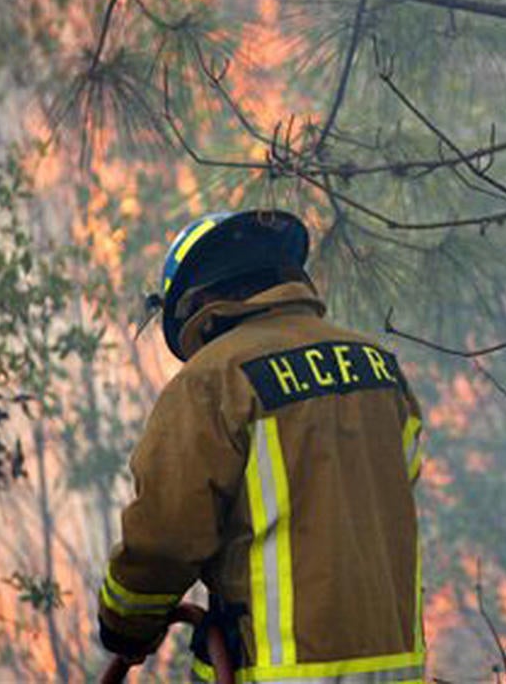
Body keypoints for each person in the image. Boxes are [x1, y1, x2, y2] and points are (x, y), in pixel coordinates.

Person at [97, 209, 425, 683]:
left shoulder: (213, 379)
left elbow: (164, 537)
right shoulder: (381, 370)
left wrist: (123, 624)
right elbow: (398, 485)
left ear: (198, 302)